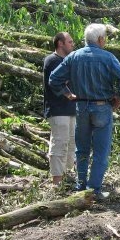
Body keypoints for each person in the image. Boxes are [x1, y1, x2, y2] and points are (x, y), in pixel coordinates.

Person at [49, 24, 120, 199]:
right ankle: (93, 190)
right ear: (100, 39)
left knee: (82, 149)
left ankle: (81, 187)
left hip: (81, 107)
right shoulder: (108, 57)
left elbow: (54, 78)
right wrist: (119, 98)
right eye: (105, 38)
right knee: (101, 151)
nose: (105, 41)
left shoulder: (74, 57)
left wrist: (67, 93)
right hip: (102, 107)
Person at [43, 32, 76, 185]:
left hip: (70, 110)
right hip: (58, 109)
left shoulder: (68, 61)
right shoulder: (52, 61)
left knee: (71, 144)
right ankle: (57, 182)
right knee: (60, 142)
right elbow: (56, 83)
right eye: (69, 42)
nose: (72, 44)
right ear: (60, 44)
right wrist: (68, 93)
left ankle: (67, 177)